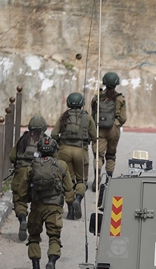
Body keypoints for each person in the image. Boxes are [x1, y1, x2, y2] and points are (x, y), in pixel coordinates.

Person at [26, 136, 74, 269]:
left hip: (37, 207)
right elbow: (69, 189)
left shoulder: (32, 167)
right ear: (54, 150)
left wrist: (23, 205)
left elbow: (23, 190)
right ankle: (51, 261)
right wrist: (71, 204)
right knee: (54, 237)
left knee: (34, 236)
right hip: (54, 207)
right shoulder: (62, 166)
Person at [53, 92, 97, 220]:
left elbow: (54, 134)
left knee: (68, 181)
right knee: (81, 180)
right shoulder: (87, 118)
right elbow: (94, 136)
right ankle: (78, 198)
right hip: (80, 150)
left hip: (64, 150)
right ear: (82, 103)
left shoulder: (64, 116)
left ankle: (71, 209)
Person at [9, 115, 48, 242]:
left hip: (21, 173)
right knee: (38, 204)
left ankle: (22, 219)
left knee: (20, 200)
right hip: (38, 173)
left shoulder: (23, 138)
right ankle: (34, 232)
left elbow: (12, 157)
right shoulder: (46, 140)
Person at [91, 71, 127, 185]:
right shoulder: (120, 98)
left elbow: (93, 113)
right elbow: (123, 118)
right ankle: (109, 180)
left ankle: (97, 178)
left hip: (99, 128)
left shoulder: (97, 97)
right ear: (116, 83)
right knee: (111, 155)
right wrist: (116, 123)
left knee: (98, 155)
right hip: (113, 128)